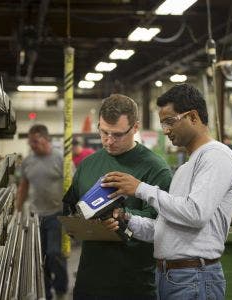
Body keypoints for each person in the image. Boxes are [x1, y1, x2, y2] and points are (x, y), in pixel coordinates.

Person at [101, 84, 232, 300]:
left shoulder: (216, 156)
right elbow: (163, 230)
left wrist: (141, 188)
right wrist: (127, 219)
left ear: (193, 117)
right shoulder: (186, 168)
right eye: (162, 123)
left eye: (169, 121)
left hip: (194, 277)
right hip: (172, 277)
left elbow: (196, 214)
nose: (165, 130)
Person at [62, 94, 173, 299]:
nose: (109, 141)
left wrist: (122, 218)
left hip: (133, 285)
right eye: (104, 132)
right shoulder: (88, 165)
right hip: (90, 282)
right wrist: (75, 225)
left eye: (118, 134)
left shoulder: (156, 169)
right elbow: (70, 207)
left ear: (135, 128)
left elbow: (162, 227)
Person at [16, 124, 68, 300]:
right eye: (30, 142)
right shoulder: (28, 162)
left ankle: (61, 289)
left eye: (36, 142)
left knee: (55, 254)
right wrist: (17, 210)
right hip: (36, 216)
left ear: (46, 139)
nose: (32, 146)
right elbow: (23, 187)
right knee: (40, 257)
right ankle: (45, 293)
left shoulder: (61, 159)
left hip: (57, 214)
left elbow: (72, 186)